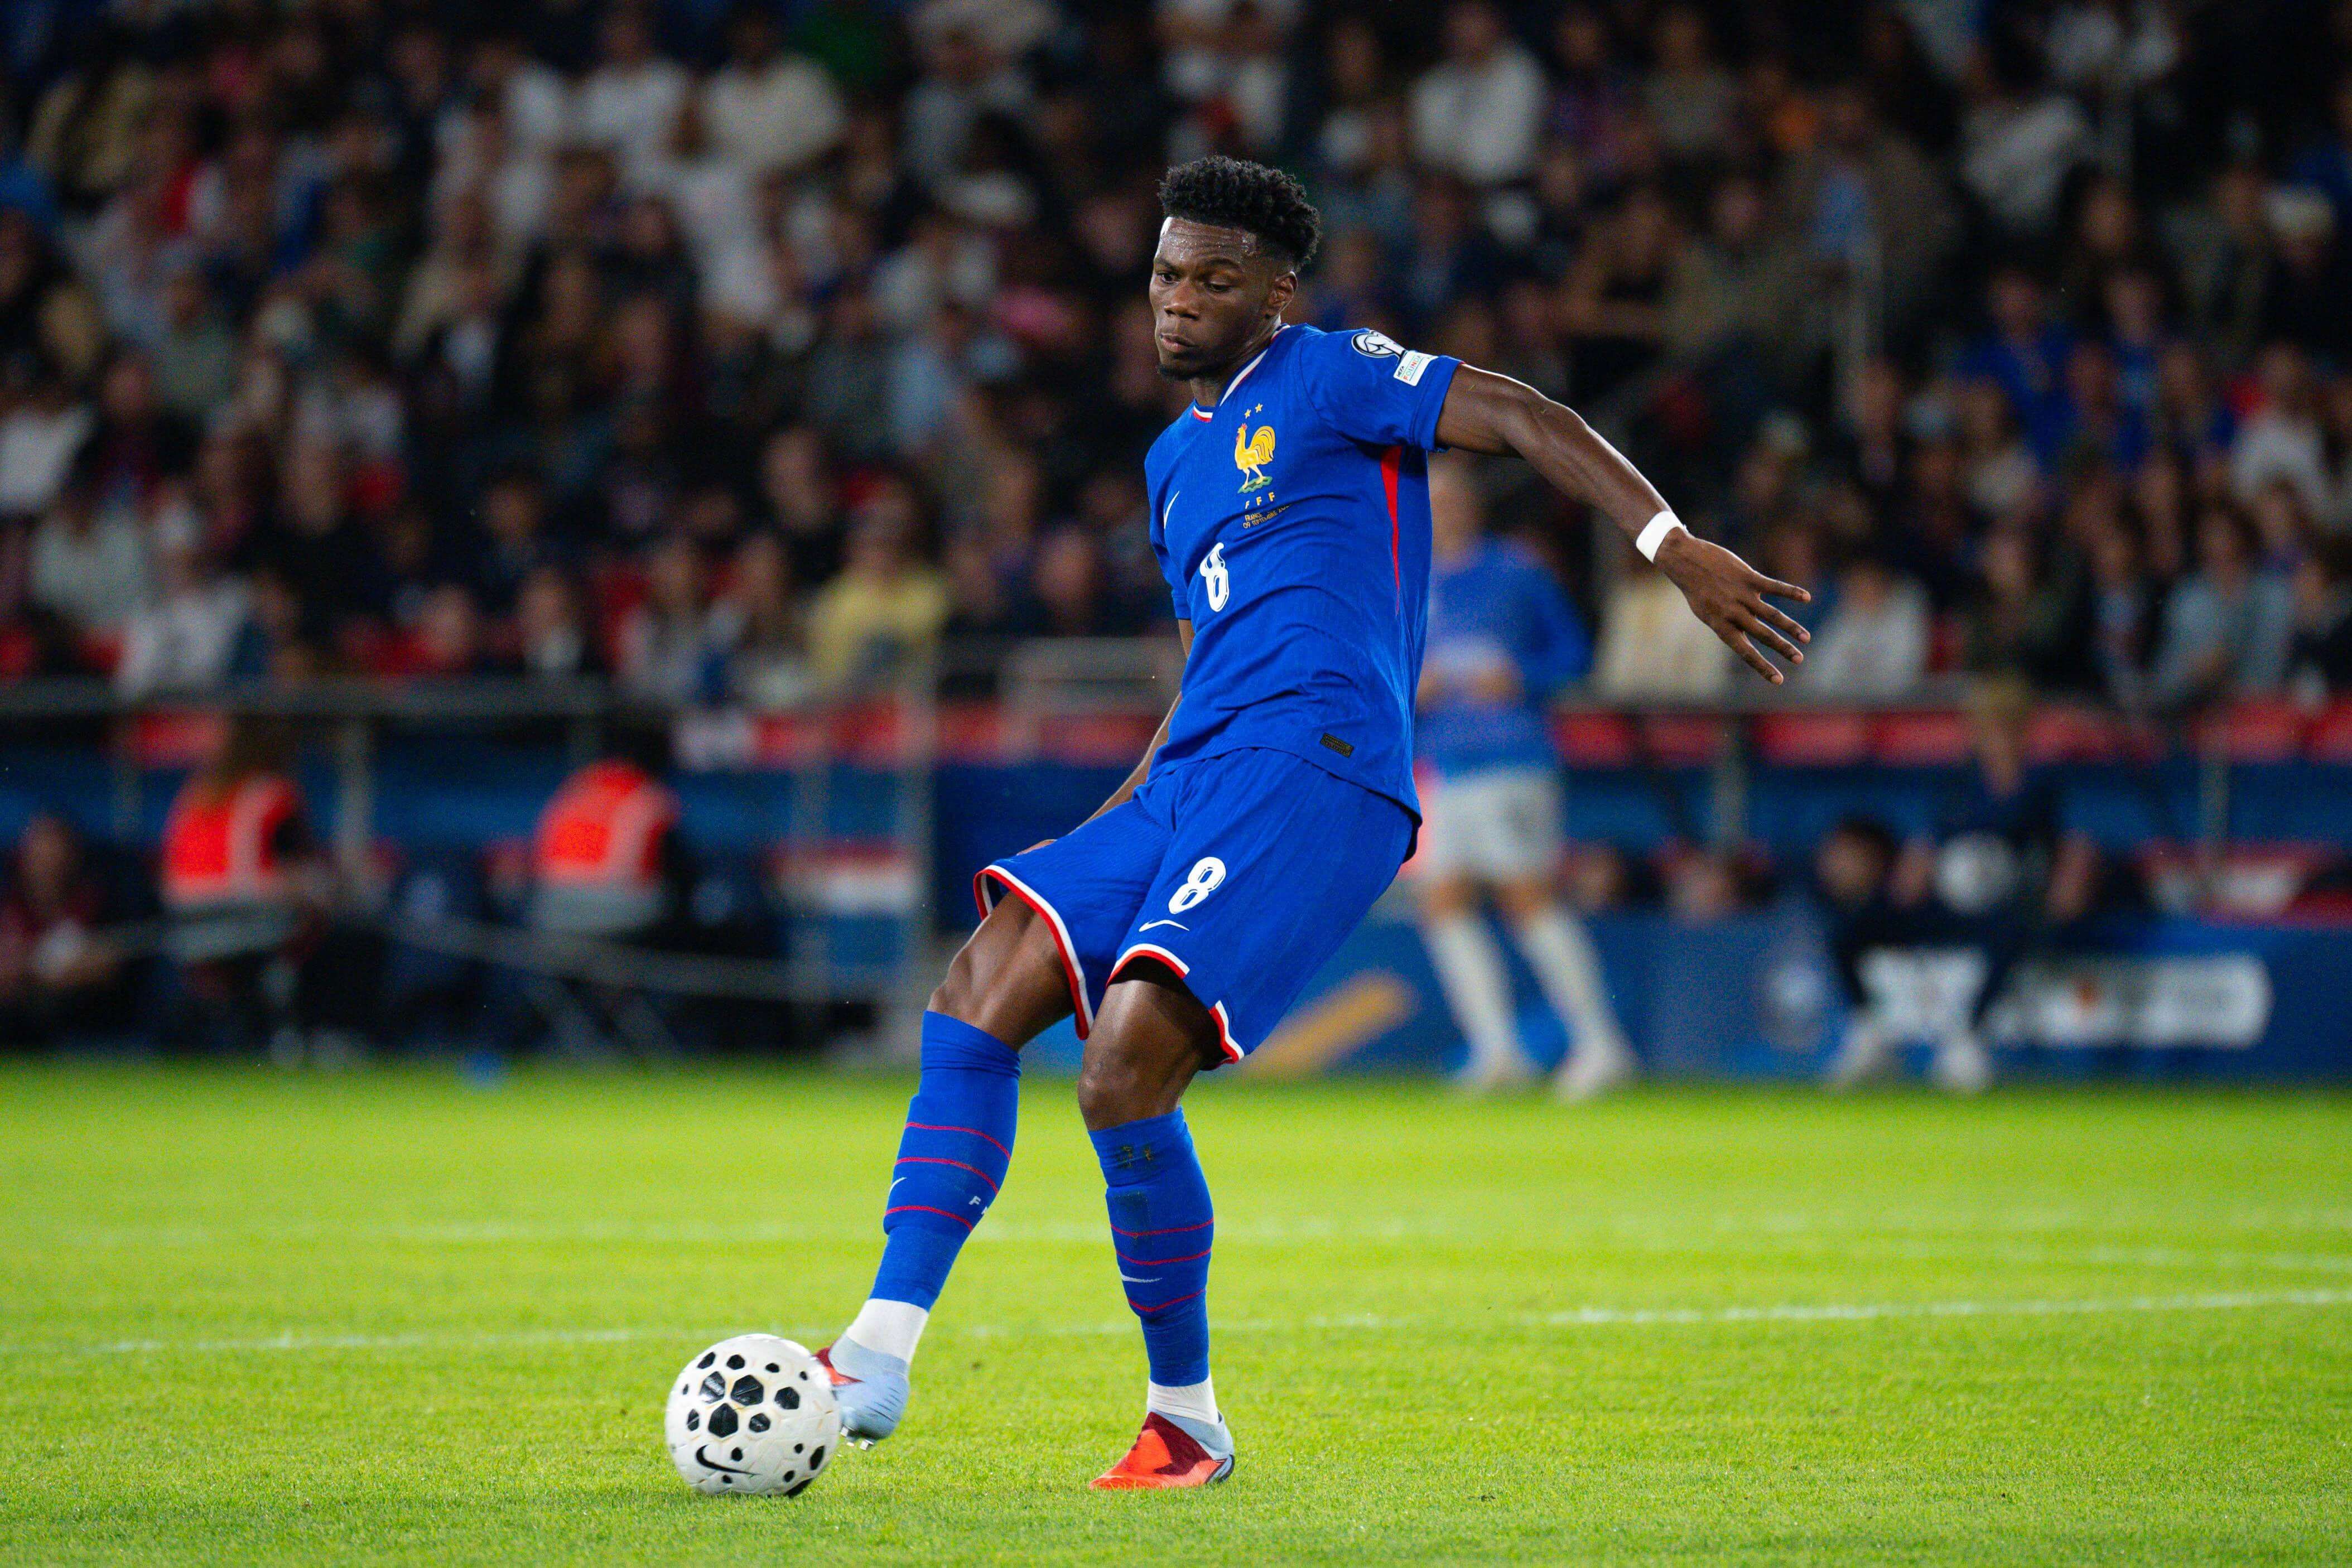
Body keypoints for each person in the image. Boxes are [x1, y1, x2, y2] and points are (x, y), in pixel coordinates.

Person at [814, 157, 1806, 1490]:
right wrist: (1122, 827)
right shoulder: (1173, 462)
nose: (1178, 300)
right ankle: (875, 1352)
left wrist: (1669, 544)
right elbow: (1194, 672)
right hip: (1194, 774)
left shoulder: (1334, 375)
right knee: (980, 978)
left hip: (1320, 766)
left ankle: (1186, 1418)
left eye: (1213, 279)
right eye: (1166, 274)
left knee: (1121, 1066)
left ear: (1274, 293)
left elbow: (1517, 412)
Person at [1412, 453, 1632, 1098]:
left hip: (1512, 759)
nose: (1442, 509)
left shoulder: (1513, 570)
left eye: (1451, 498)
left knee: (1525, 896)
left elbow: (1573, 653)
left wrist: (1521, 678)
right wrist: (1410, 687)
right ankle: (1497, 1050)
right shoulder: (1410, 580)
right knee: (1442, 901)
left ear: (1472, 505)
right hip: (1445, 764)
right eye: (1432, 499)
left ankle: (1601, 1044)